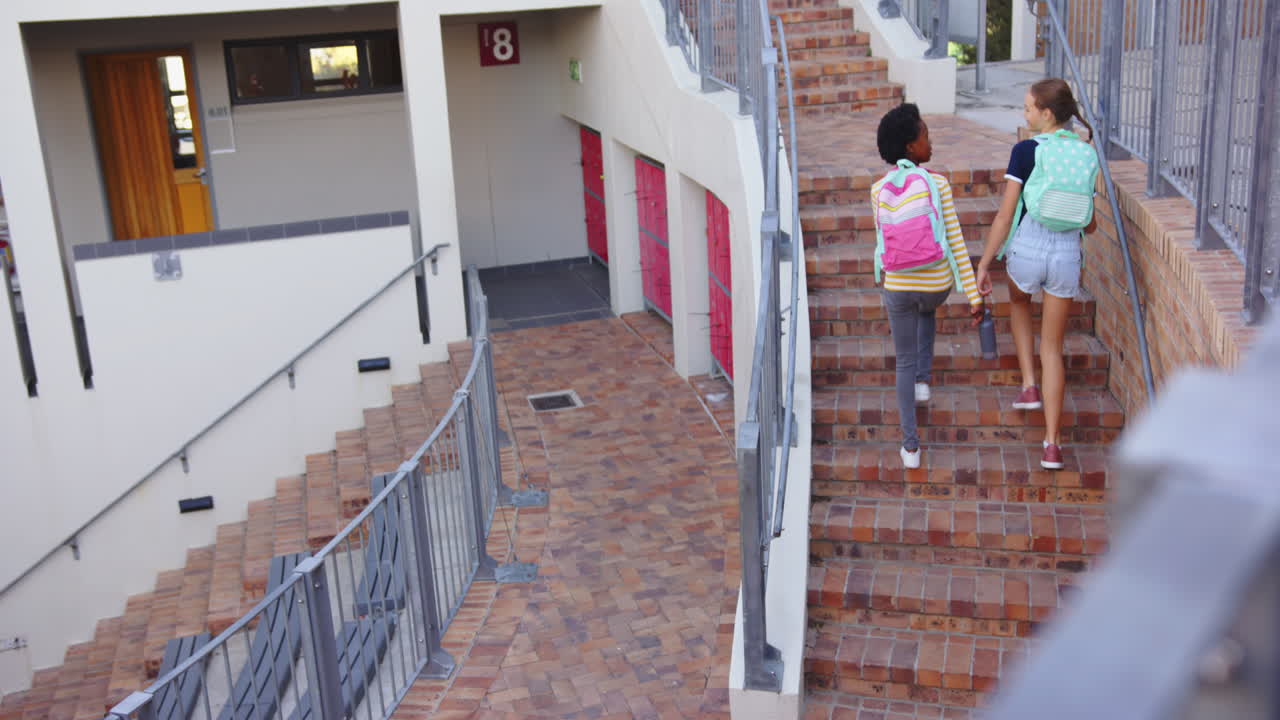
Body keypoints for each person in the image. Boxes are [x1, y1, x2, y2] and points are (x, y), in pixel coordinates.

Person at [974, 78, 1099, 470]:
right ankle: (1052, 444)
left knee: (1018, 299)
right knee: (1053, 348)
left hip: (1027, 248)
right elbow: (1090, 224)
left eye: (1028, 109)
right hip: (1066, 255)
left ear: (1046, 114)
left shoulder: (1025, 151)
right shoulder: (1083, 152)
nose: (1024, 115)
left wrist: (984, 262)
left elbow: (1006, 214)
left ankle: (1029, 384)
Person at [873, 104, 985, 469]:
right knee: (927, 305)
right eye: (925, 136)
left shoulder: (878, 190)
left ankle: (910, 449)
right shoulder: (937, 183)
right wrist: (973, 296)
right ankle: (924, 379)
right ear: (911, 147)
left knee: (901, 359)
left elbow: (884, 244)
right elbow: (954, 242)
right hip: (937, 284)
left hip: (898, 286)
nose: (930, 141)